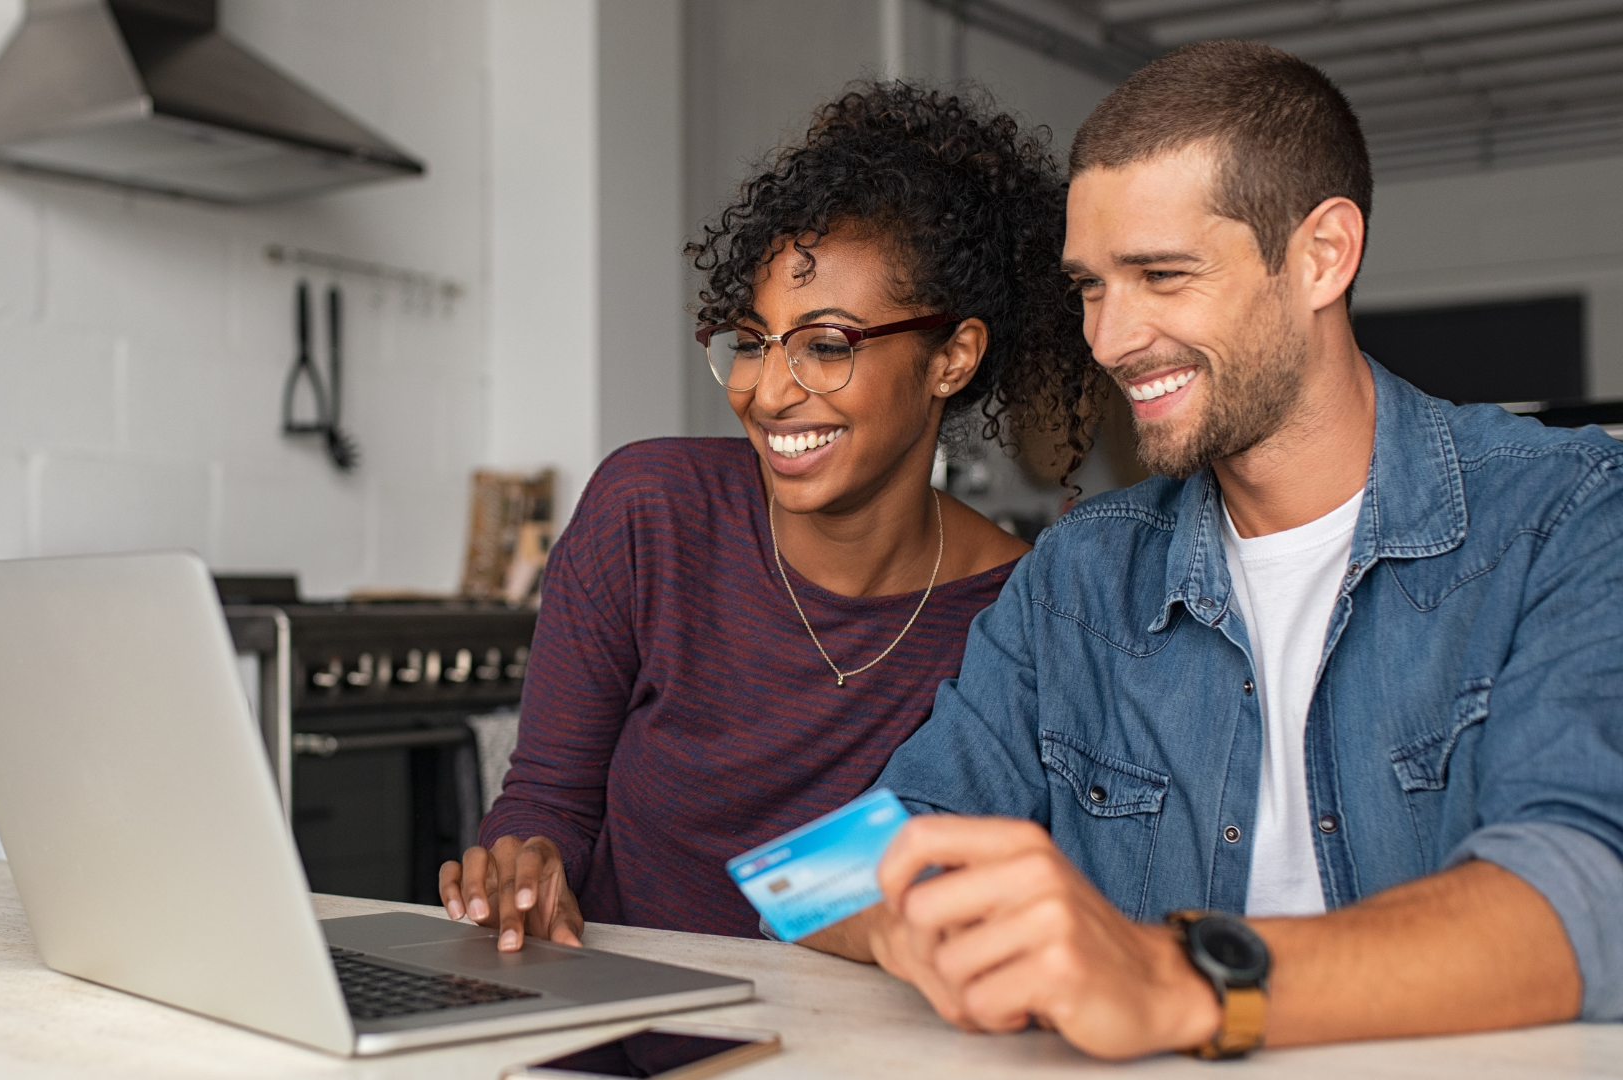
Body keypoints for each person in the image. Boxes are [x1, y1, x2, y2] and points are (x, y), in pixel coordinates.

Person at [808, 40, 1623, 1059]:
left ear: (1322, 254)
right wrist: (928, 922)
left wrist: (1172, 975)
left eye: (1160, 274)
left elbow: (1586, 896)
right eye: (1092, 287)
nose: (1108, 340)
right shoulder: (1076, 577)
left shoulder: (1572, 511)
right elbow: (823, 876)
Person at [439, 83, 1099, 948]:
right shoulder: (649, 513)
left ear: (953, 358)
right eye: (753, 341)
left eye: (827, 346)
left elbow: (899, 882)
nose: (769, 391)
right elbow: (546, 800)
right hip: (598, 1041)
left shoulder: (1018, 615)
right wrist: (521, 869)